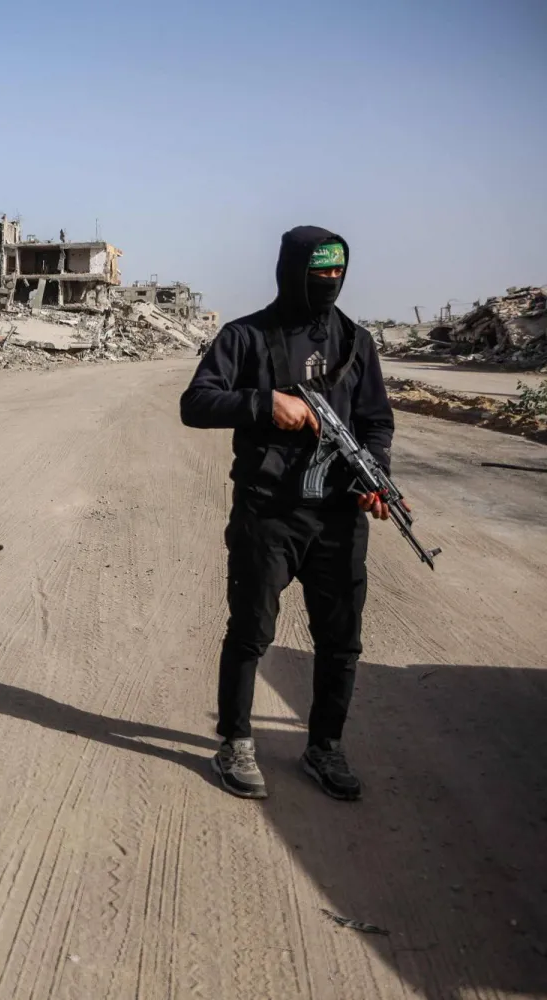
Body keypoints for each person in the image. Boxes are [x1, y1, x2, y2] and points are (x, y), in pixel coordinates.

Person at [180, 227, 396, 802]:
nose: (328, 284)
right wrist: (264, 403)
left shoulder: (357, 342)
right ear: (291, 272)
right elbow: (195, 403)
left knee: (341, 643)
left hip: (338, 519)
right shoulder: (245, 336)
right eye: (317, 274)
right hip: (268, 513)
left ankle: (324, 746)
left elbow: (376, 421)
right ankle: (234, 741)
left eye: (337, 275)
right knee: (251, 633)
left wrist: (375, 474)